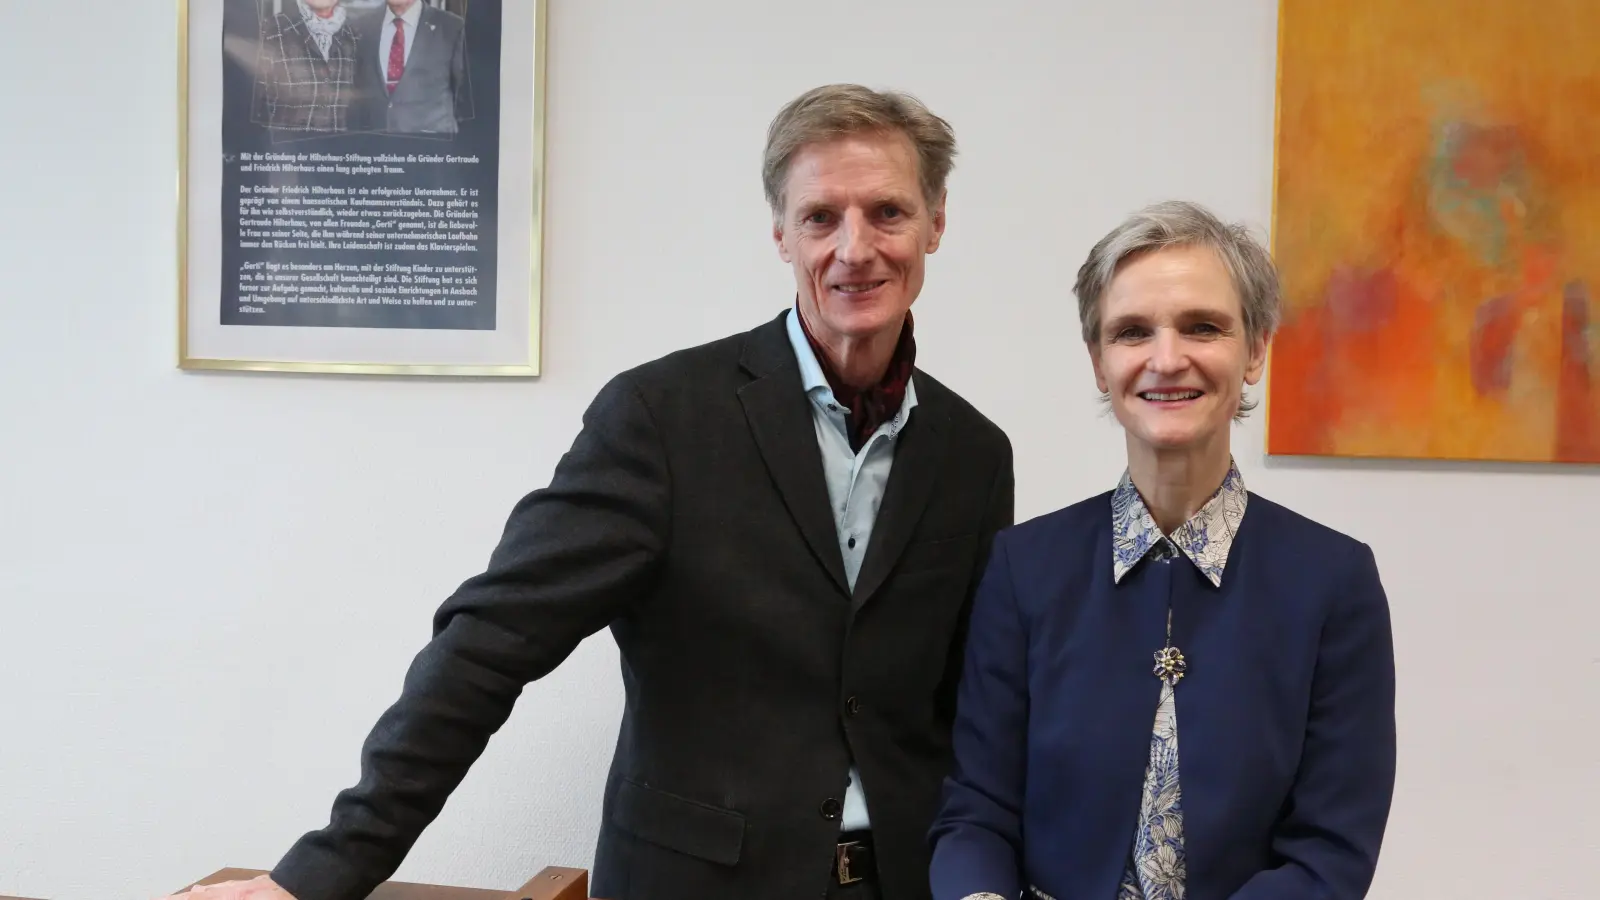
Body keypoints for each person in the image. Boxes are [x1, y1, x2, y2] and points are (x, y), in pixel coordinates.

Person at [157, 84, 1014, 900]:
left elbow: (971, 716)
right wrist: (321, 872)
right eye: (821, 216)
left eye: (888, 212)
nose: (854, 248)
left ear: (935, 224)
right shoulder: (661, 418)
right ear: (781, 236)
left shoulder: (975, 454)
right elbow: (489, 643)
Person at [928, 201, 1396, 900]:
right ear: (1098, 361)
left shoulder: (1334, 582)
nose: (1167, 358)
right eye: (1132, 332)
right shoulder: (1024, 569)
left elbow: (1330, 850)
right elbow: (977, 812)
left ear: (1256, 349)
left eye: (1202, 327)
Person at [353, 0, 473, 136]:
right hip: (375, 147)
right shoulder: (361, 27)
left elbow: (466, 98)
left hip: (431, 148)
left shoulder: (452, 27)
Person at [250, 0, 362, 135]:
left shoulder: (357, 36)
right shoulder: (270, 32)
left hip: (342, 153)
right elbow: (253, 111)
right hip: (286, 154)